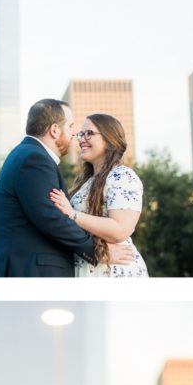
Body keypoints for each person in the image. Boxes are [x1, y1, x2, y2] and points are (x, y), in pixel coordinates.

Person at [0, 99, 135, 277]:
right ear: (54, 130)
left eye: (88, 134)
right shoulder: (35, 159)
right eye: (71, 127)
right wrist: (97, 251)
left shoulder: (28, 155)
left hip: (111, 267)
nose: (75, 136)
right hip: (30, 271)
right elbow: (51, 217)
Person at [48, 114, 148, 277]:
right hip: (90, 268)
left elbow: (120, 230)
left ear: (109, 138)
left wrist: (72, 214)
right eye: (81, 134)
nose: (82, 140)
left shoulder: (122, 176)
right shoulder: (85, 182)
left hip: (114, 272)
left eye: (89, 133)